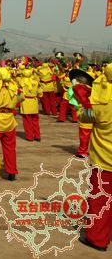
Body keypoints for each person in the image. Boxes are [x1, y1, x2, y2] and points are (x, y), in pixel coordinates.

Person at [80, 64, 112, 251]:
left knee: (100, 200)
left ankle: (98, 239)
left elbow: (85, 117)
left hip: (104, 159)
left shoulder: (99, 102)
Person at [0, 67, 20, 180]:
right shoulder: (15, 88)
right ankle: (11, 172)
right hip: (9, 120)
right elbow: (21, 99)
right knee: (10, 148)